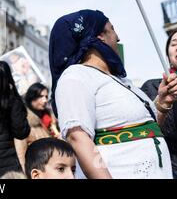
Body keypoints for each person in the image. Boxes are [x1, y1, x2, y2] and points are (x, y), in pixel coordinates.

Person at [49, 9, 175, 178]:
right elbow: (78, 139)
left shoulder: (121, 81)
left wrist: (162, 102)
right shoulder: (75, 76)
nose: (118, 37)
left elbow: (146, 130)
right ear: (100, 36)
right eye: (112, 29)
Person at [141, 30, 177, 178]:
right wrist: (162, 104)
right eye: (174, 44)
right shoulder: (152, 88)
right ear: (168, 56)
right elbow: (145, 133)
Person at [14, 83, 60, 172]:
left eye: (46, 97)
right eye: (41, 97)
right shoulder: (24, 121)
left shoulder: (50, 120)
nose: (45, 100)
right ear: (32, 98)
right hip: (36, 169)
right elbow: (20, 154)